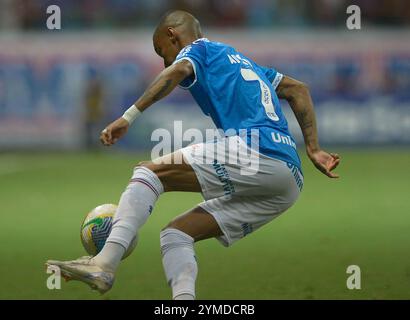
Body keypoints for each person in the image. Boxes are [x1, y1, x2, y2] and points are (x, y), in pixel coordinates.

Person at [46, 10, 340, 300]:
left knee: (148, 173)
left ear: (173, 36)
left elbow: (176, 71)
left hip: (256, 148)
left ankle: (104, 263)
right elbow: (298, 89)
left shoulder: (199, 49)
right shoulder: (242, 61)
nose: (164, 61)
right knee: (176, 234)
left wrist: (128, 116)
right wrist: (312, 148)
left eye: (162, 51)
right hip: (289, 180)